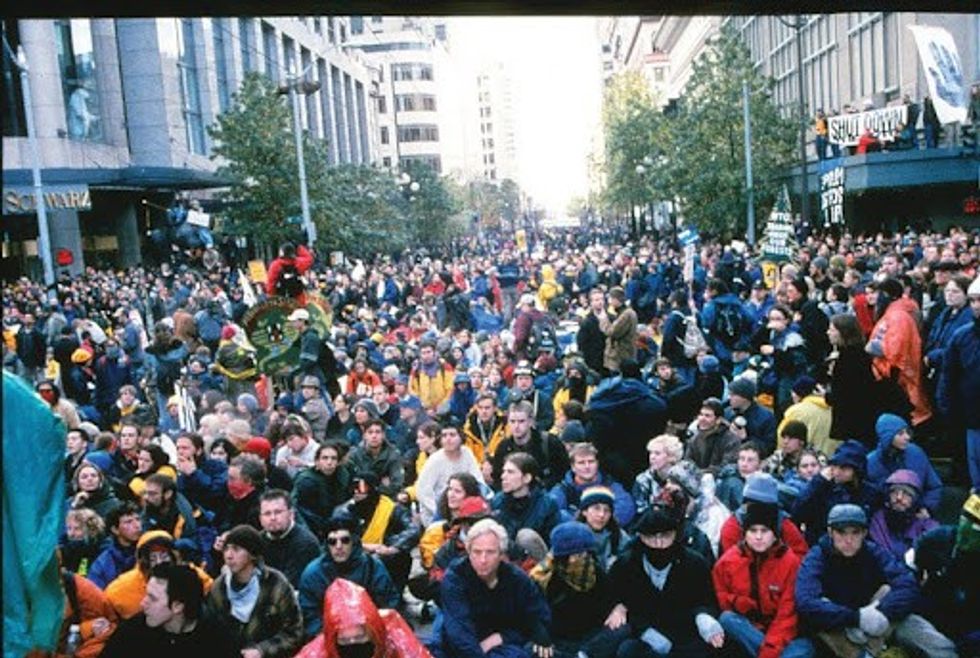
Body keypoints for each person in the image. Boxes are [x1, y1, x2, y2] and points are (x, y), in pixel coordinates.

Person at [794, 504, 957, 658]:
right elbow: (806, 601)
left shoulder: (874, 552)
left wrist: (882, 611)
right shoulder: (817, 558)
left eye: (855, 532)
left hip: (880, 617)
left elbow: (907, 584)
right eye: (841, 532)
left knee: (937, 644)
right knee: (818, 614)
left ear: (864, 533)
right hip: (839, 626)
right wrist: (856, 617)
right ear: (830, 532)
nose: (848, 540)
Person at [605, 504, 726, 658]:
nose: (659, 544)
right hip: (646, 635)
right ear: (641, 537)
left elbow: (707, 600)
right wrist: (643, 629)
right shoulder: (626, 564)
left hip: (686, 634)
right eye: (651, 537)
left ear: (675, 535)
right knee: (627, 650)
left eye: (665, 536)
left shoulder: (694, 563)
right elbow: (614, 599)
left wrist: (703, 616)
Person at [438, 518, 554, 658]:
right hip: (465, 646)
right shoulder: (455, 578)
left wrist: (502, 637)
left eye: (490, 552)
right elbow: (459, 634)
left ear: (501, 554)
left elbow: (538, 620)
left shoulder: (517, 579)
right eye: (477, 552)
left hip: (504, 644)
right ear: (468, 552)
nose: (483, 560)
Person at [712, 500, 815, 658]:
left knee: (806, 647)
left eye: (765, 530)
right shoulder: (728, 561)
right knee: (727, 619)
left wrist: (769, 651)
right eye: (753, 531)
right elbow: (718, 595)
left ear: (774, 534)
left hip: (781, 633)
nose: (758, 537)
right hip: (750, 629)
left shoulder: (790, 562)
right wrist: (736, 600)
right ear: (745, 533)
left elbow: (787, 615)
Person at [529, 521, 631, 657]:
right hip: (556, 638)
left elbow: (613, 598)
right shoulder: (542, 577)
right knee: (532, 648)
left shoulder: (594, 571)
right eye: (569, 555)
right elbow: (529, 612)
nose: (573, 561)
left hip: (590, 638)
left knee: (623, 629)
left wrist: (619, 608)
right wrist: (540, 635)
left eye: (579, 555)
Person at [298, 511, 401, 641]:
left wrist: (369, 632)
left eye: (345, 540)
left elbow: (389, 603)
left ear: (354, 541)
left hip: (371, 634)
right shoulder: (313, 574)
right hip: (329, 638)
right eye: (332, 541)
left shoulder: (372, 566)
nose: (339, 546)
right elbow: (309, 615)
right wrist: (331, 636)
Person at [205, 524, 304, 658]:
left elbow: (294, 632)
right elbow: (210, 633)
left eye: (236, 549)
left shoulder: (276, 584)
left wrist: (262, 650)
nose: (229, 555)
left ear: (252, 554)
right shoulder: (219, 587)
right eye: (226, 549)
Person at [100, 563, 237, 658]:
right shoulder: (132, 632)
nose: (143, 603)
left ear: (178, 606)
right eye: (146, 594)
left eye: (153, 598)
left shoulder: (216, 639)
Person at [294, 578, 432, 658]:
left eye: (360, 637)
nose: (353, 643)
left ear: (373, 631)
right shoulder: (318, 651)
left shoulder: (393, 632)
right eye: (344, 640)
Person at [913, 493, 980, 656]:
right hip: (931, 619)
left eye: (977, 528)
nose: (967, 532)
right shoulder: (933, 542)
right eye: (965, 520)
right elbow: (912, 580)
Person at [336, 471, 420, 593]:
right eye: (353, 487)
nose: (356, 492)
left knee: (402, 557)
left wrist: (392, 547)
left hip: (383, 555)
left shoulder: (391, 509)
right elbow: (334, 537)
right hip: (353, 556)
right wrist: (365, 546)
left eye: (361, 487)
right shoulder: (344, 511)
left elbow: (413, 530)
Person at [866, 278, 932, 426]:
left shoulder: (898, 316)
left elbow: (896, 353)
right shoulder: (894, 313)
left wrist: (873, 348)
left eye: (878, 293)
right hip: (893, 380)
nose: (874, 298)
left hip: (898, 383)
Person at [105, 530, 213, 620]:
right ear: (144, 561)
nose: (159, 562)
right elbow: (105, 609)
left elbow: (209, 587)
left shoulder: (191, 575)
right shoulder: (121, 588)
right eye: (153, 558)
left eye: (164, 556)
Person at [792, 440, 882, 546]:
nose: (837, 471)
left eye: (844, 468)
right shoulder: (822, 488)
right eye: (835, 466)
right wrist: (818, 482)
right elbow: (797, 513)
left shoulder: (870, 493)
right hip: (822, 547)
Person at [936, 275, 980, 489]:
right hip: (970, 415)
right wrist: (946, 405)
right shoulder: (962, 336)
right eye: (973, 300)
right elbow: (949, 374)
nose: (976, 306)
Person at [865, 414, 943, 516]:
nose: (907, 437)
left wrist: (926, 507)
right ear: (887, 437)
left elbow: (934, 486)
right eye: (900, 434)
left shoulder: (916, 453)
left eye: (907, 432)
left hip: (917, 516)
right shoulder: (870, 462)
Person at [718, 473, 810, 560]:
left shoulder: (782, 523)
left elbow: (801, 556)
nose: (759, 511)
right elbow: (729, 564)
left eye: (764, 506)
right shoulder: (733, 526)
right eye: (754, 504)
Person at [492, 452, 561, 564]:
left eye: (510, 472)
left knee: (526, 536)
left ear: (527, 478)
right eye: (504, 471)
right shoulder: (497, 501)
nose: (503, 476)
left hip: (537, 561)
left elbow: (553, 543)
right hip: (506, 559)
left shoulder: (547, 504)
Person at [824, 314, 878, 451]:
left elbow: (842, 394)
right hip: (863, 419)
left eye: (832, 329)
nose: (828, 332)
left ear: (843, 333)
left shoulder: (846, 360)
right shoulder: (860, 356)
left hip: (852, 421)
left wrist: (827, 395)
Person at [549, 441, 636, 527]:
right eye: (581, 463)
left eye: (591, 461)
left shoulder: (610, 485)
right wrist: (583, 526)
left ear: (597, 463)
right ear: (573, 467)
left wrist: (600, 524)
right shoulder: (562, 490)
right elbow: (552, 512)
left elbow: (626, 507)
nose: (587, 466)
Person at [415, 423, 485, 525]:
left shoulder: (467, 453)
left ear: (461, 437)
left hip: (463, 506)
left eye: (452, 435)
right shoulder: (435, 460)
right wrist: (441, 512)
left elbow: (478, 480)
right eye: (444, 435)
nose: (448, 439)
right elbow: (422, 492)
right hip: (437, 511)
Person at [491, 400, 567, 490]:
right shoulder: (503, 447)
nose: (516, 426)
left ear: (530, 421)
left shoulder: (550, 443)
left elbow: (563, 473)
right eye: (512, 421)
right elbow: (497, 479)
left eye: (521, 421)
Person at [868, 469, 939, 563]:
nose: (899, 498)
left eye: (906, 493)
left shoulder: (928, 526)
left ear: (915, 499)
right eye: (894, 492)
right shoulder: (877, 522)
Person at [258, 489, 321, 588]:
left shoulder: (306, 543)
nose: (273, 518)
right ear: (260, 519)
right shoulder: (257, 541)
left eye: (278, 512)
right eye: (267, 513)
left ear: (291, 514)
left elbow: (288, 585)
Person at [291, 441, 352, 540]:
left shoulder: (342, 475)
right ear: (317, 462)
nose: (329, 462)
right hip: (310, 525)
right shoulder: (307, 481)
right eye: (325, 458)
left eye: (333, 458)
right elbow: (304, 512)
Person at [87, 502, 142, 590]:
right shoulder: (102, 563)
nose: (137, 525)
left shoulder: (148, 552)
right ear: (115, 530)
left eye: (138, 519)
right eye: (128, 522)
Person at [575, 485, 630, 572]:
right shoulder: (572, 535)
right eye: (596, 508)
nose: (601, 515)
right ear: (584, 511)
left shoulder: (619, 536)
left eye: (607, 510)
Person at [345, 418, 405, 498]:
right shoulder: (354, 455)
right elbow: (349, 483)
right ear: (364, 435)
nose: (374, 436)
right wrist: (379, 484)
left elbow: (397, 485)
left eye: (378, 432)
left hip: (384, 499)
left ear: (383, 435)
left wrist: (372, 487)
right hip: (358, 498)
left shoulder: (393, 455)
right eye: (370, 432)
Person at [175, 432, 229, 515]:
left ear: (199, 450)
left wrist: (194, 474)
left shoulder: (217, 466)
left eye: (185, 448)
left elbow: (216, 491)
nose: (180, 452)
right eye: (178, 448)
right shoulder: (180, 472)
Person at [684, 398, 741, 476]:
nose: (702, 419)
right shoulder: (694, 439)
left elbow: (727, 466)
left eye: (707, 416)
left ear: (718, 420)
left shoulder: (731, 439)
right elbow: (687, 462)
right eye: (701, 415)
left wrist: (703, 473)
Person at [633, 434, 685, 516]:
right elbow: (641, 511)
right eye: (651, 453)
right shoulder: (643, 480)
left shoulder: (685, 477)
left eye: (657, 453)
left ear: (671, 456)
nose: (652, 457)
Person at [725, 377, 777, 456]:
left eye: (733, 395)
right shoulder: (727, 412)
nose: (729, 398)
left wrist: (746, 439)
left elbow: (769, 447)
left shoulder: (766, 418)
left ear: (745, 397)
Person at [599, 286, 638, 375]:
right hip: (620, 357)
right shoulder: (622, 313)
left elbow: (612, 332)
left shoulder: (627, 314)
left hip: (620, 358)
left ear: (616, 299)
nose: (609, 302)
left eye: (610, 299)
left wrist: (603, 319)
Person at [274, 415, 320, 480]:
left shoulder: (318, 450)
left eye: (291, 439)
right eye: (286, 441)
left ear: (303, 436)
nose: (289, 444)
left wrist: (304, 464)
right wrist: (280, 470)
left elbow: (323, 470)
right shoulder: (283, 452)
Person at [578, 287, 609, 375]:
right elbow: (581, 343)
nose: (600, 302)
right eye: (596, 300)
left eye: (602, 299)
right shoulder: (587, 321)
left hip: (609, 361)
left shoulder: (611, 318)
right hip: (593, 362)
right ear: (591, 303)